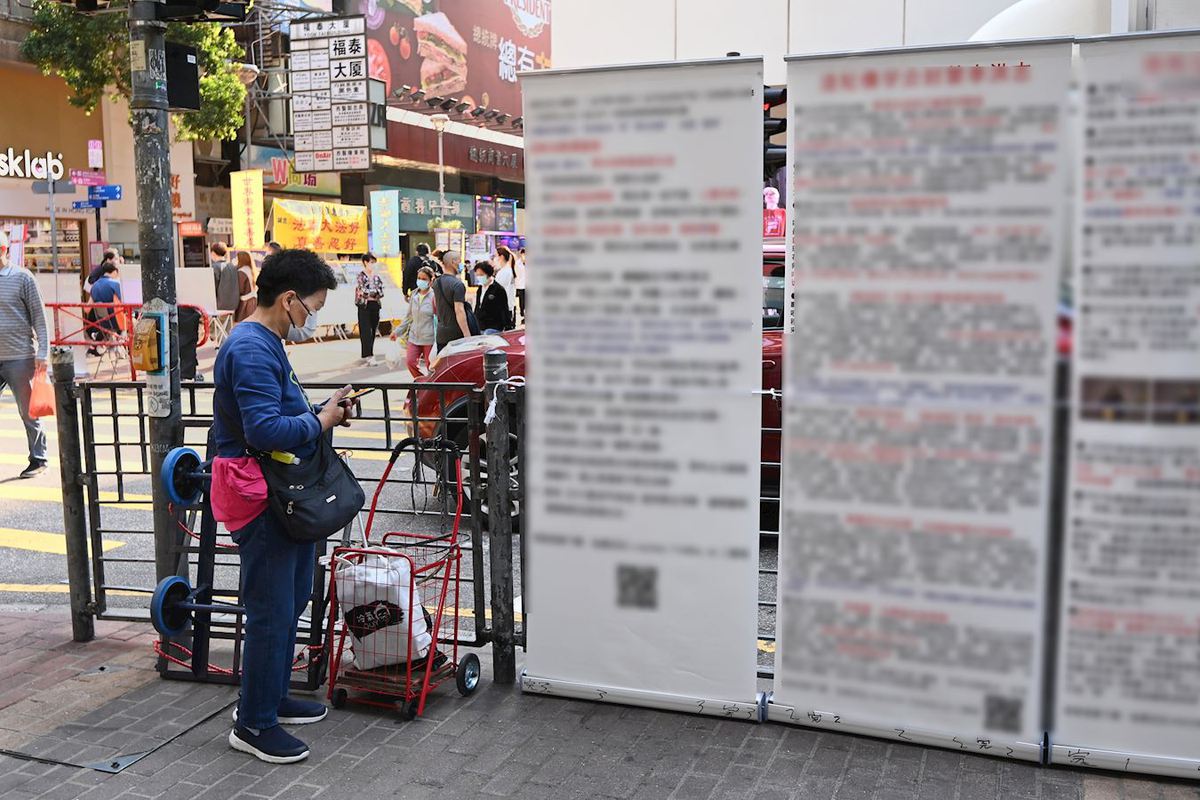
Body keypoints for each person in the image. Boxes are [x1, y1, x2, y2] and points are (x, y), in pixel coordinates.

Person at [211, 248, 352, 765]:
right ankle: (253, 724)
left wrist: (321, 411)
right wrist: (322, 422)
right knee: (272, 610)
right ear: (288, 299)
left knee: (290, 597)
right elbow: (264, 430)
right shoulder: (251, 347)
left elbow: (277, 414)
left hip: (280, 493)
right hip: (262, 494)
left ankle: (267, 697)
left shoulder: (263, 341)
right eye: (312, 308)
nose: (311, 319)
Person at [0, 231, 50, 479]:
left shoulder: (22, 278)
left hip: (19, 356)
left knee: (27, 410)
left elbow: (39, 318)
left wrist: (43, 352)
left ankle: (38, 458)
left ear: (2, 250)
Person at [391, 265, 436, 378]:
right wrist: (397, 332)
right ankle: (421, 383)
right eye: (419, 278)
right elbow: (409, 317)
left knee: (431, 367)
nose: (420, 281)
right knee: (410, 362)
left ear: (431, 281)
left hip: (429, 338)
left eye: (424, 279)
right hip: (414, 337)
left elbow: (438, 319)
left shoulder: (434, 297)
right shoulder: (414, 295)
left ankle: (430, 389)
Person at [431, 251, 472, 352]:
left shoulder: (437, 282)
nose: (462, 264)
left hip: (441, 334)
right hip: (456, 336)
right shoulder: (457, 285)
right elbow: (459, 311)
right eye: (460, 261)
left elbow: (436, 306)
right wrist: (467, 336)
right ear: (453, 262)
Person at [355, 252, 384, 366]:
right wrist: (372, 293)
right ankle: (369, 355)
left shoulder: (377, 277)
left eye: (374, 262)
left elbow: (381, 291)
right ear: (365, 263)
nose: (373, 265)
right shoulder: (361, 276)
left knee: (373, 329)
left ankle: (368, 352)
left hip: (375, 305)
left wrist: (374, 294)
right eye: (371, 262)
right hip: (364, 306)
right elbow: (362, 291)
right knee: (366, 330)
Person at [88, 263, 124, 341]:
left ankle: (99, 337)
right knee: (135, 320)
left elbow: (87, 308)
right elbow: (123, 302)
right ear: (114, 271)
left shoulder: (94, 286)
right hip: (117, 320)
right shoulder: (115, 284)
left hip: (102, 321)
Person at [472, 262, 509, 335]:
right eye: (477, 275)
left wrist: (507, 326)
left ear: (488, 274)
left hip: (493, 326)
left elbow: (503, 309)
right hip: (480, 325)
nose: (479, 277)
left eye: (481, 275)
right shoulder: (480, 288)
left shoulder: (498, 289)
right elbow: (478, 306)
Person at [492, 246, 516, 329]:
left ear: (501, 257)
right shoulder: (505, 271)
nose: (494, 259)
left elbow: (498, 291)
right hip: (505, 307)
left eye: (495, 256)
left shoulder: (505, 272)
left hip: (503, 309)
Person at [212, 242, 239, 313]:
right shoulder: (232, 266)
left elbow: (212, 287)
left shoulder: (215, 267)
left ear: (213, 253)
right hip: (234, 305)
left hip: (219, 307)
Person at [235, 251, 258, 323]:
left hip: (245, 303)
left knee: (243, 324)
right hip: (253, 300)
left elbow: (240, 289)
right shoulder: (251, 270)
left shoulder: (241, 272)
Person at [515, 247, 527, 323]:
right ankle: (523, 314)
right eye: (523, 254)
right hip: (521, 285)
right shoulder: (517, 263)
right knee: (522, 301)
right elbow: (517, 274)